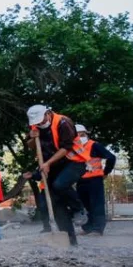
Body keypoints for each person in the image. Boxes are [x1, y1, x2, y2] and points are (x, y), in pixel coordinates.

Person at [26, 104, 88, 246]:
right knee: (55, 203)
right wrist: (31, 137)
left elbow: (66, 148)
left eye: (41, 121)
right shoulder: (34, 126)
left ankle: (79, 209)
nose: (40, 124)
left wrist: (47, 163)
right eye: (36, 123)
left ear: (48, 114)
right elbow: (31, 145)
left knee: (60, 184)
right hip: (54, 166)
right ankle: (70, 241)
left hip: (73, 162)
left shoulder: (63, 122)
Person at [73, 124, 117, 236]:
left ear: (86, 134)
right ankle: (88, 228)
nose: (79, 137)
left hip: (95, 180)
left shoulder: (94, 145)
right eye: (77, 135)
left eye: (81, 134)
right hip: (80, 181)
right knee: (85, 206)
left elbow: (111, 157)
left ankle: (97, 229)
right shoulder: (73, 149)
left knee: (96, 204)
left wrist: (106, 172)